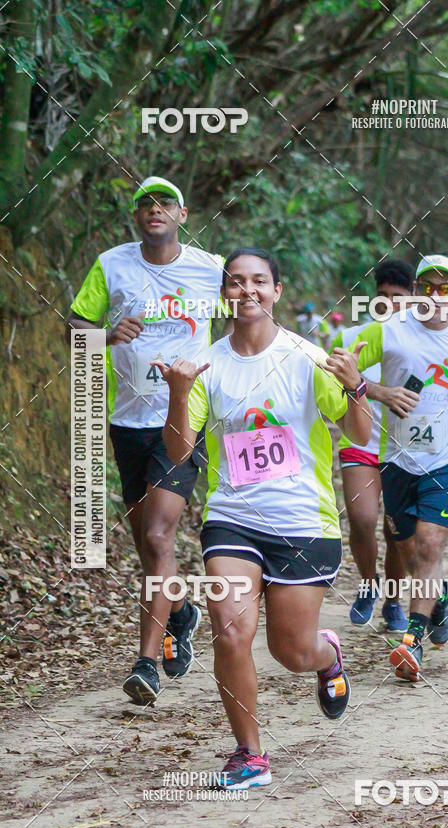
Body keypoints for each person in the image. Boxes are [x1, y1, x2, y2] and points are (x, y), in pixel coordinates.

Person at [157, 247, 372, 789]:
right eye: (235, 282)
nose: (247, 290)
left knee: (290, 650)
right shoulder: (206, 363)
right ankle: (249, 753)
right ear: (223, 294)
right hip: (232, 517)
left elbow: (362, 436)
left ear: (277, 291)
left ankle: (326, 657)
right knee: (231, 631)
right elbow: (180, 452)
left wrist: (355, 387)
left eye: (259, 281)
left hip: (304, 522)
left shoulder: (308, 356)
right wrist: (179, 395)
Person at [66, 176, 224, 705]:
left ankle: (146, 663)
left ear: (183, 213)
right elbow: (73, 327)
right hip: (127, 420)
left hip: (184, 417)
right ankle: (180, 612)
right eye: (145, 204)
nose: (154, 210)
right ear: (136, 216)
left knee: (159, 537)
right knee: (145, 543)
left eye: (164, 203)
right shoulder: (112, 264)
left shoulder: (210, 268)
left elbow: (251, 315)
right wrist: (107, 336)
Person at [350, 254, 448, 682]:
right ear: (415, 290)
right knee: (409, 551)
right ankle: (440, 597)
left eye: (446, 289)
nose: (436, 296)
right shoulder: (388, 330)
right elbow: (342, 368)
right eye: (428, 287)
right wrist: (379, 391)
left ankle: (411, 640)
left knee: (432, 545)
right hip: (396, 458)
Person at [331, 260, 414, 630]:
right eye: (383, 297)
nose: (390, 304)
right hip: (361, 440)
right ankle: (368, 583)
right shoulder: (354, 337)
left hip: (406, 447)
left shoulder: (423, 342)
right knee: (362, 520)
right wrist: (377, 391)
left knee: (395, 529)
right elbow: (332, 377)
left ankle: (394, 602)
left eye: (399, 297)